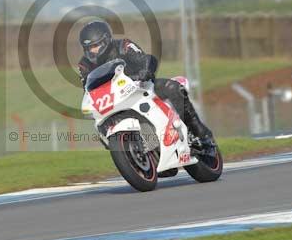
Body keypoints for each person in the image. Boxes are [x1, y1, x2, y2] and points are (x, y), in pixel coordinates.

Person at [77, 20, 214, 150]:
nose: (93, 50)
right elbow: (87, 88)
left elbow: (145, 59)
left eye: (96, 45)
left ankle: (199, 131)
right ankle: (132, 151)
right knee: (100, 125)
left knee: (172, 87)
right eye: (89, 47)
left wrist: (145, 71)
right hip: (114, 100)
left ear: (106, 40)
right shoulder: (84, 64)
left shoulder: (123, 46)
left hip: (141, 86)